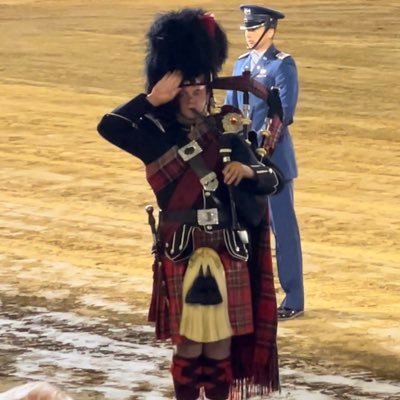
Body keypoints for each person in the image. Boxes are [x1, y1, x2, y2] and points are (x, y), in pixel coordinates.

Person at [97, 8, 284, 400]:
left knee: (220, 343)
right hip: (182, 248)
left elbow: (272, 181)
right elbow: (109, 126)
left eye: (200, 85)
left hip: (227, 248)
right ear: (170, 87)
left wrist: (247, 173)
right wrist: (150, 100)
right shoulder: (154, 134)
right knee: (187, 344)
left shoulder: (229, 130)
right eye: (185, 86)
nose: (194, 93)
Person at [226, 4, 304, 320]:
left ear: (270, 31)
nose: (249, 35)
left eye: (255, 29)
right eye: (247, 30)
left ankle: (294, 298)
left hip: (274, 161)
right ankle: (255, 296)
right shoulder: (240, 63)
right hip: (246, 162)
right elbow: (231, 113)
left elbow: (283, 114)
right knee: (249, 231)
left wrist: (261, 152)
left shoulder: (282, 65)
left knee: (283, 230)